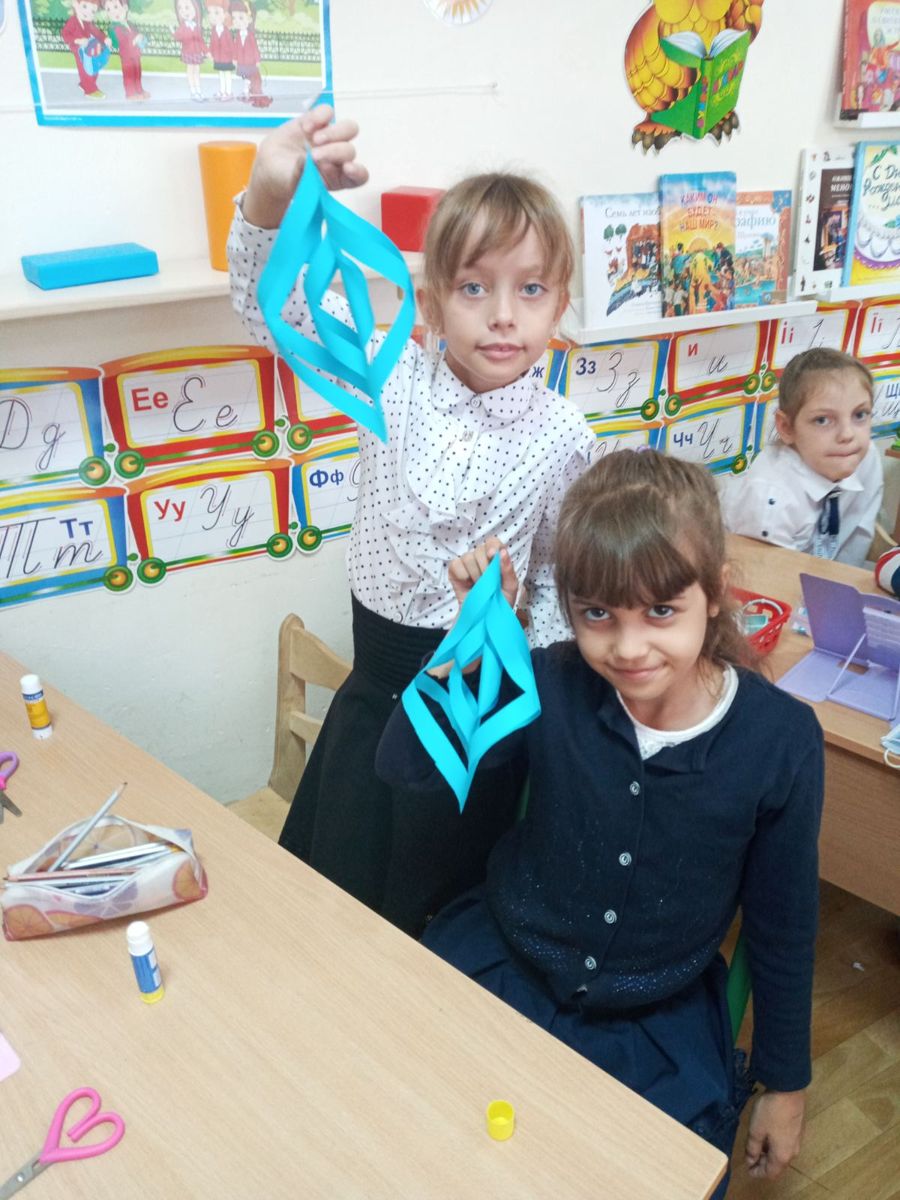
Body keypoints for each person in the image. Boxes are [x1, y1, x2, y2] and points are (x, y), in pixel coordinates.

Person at [376, 449, 824, 1196]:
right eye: (598, 615)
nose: (628, 647)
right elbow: (407, 767)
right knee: (408, 1133)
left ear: (715, 594)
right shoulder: (553, 679)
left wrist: (786, 1084)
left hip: (652, 1022)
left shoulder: (780, 740)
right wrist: (474, 640)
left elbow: (784, 922)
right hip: (503, 967)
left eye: (661, 612)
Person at [227, 105, 595, 935]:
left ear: (559, 304)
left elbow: (560, 588)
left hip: (475, 717)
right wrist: (269, 197)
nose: (503, 315)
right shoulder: (390, 376)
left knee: (439, 918)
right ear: (429, 301)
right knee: (337, 903)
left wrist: (510, 617)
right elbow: (272, 309)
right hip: (375, 695)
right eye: (474, 287)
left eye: (530, 289)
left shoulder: (566, 436)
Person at [719, 347, 883, 566]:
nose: (847, 434)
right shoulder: (771, 498)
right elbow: (765, 575)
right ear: (786, 427)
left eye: (860, 415)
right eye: (822, 420)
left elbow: (858, 535)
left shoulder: (865, 457)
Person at [103, 0, 150, 102]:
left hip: (136, 54)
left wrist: (141, 37)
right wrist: (134, 40)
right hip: (127, 55)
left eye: (116, 7)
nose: (113, 12)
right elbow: (118, 43)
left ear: (125, 8)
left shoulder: (131, 24)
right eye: (108, 9)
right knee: (129, 74)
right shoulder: (114, 28)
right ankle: (130, 93)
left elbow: (137, 34)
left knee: (137, 72)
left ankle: (139, 90)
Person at [171, 0, 209, 102]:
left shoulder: (196, 26)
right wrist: (174, 33)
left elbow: (201, 41)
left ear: (196, 8)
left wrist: (206, 51)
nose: (184, 11)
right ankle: (193, 91)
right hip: (188, 52)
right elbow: (178, 37)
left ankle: (198, 90)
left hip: (197, 52)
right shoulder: (183, 27)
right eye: (180, 8)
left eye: (187, 7)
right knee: (190, 70)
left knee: (196, 70)